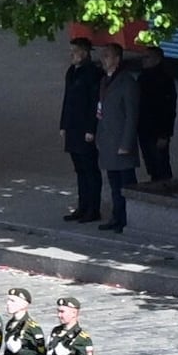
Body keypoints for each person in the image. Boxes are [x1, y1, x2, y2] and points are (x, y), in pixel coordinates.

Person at [94, 47, 146, 236]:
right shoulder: (104, 81)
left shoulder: (127, 82)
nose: (103, 59)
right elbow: (101, 112)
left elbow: (132, 116)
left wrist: (126, 143)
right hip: (108, 141)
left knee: (126, 184)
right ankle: (117, 217)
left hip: (121, 142)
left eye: (107, 56)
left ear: (117, 59)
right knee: (114, 184)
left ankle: (126, 218)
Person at [64, 43, 115, 229]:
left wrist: (91, 129)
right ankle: (82, 205)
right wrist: (64, 124)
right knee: (79, 169)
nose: (72, 55)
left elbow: (94, 103)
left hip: (85, 129)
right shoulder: (72, 72)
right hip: (73, 128)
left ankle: (93, 208)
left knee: (90, 169)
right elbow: (67, 99)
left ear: (84, 54)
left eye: (75, 52)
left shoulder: (92, 74)